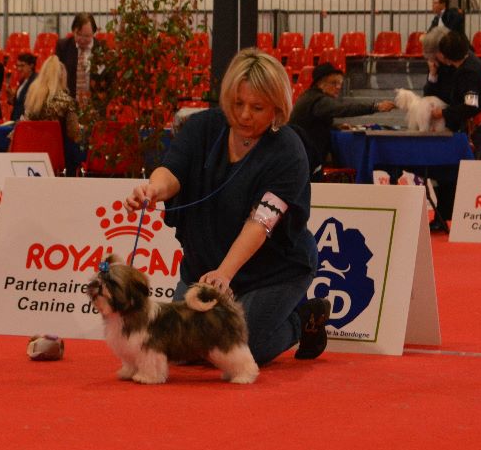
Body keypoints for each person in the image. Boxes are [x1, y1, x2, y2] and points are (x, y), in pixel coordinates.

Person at [125, 48, 329, 365]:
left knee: (238, 350)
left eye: (257, 107)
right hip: (203, 266)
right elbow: (172, 171)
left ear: (277, 107)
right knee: (181, 350)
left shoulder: (289, 152)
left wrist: (224, 274)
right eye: (238, 104)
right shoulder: (202, 128)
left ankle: (302, 319)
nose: (245, 114)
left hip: (273, 270)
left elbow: (260, 223)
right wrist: (154, 189)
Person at [426, 30, 481, 232]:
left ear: (444, 55)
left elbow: (471, 105)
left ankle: (475, 219)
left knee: (473, 171)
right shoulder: (467, 65)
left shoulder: (468, 72)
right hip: (476, 122)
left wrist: (444, 113)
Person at [288, 62, 394, 178]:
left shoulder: (309, 97)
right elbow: (343, 109)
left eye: (340, 83)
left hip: (301, 155)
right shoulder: (319, 100)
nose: (338, 87)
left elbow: (313, 122)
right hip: (307, 159)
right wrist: (375, 107)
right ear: (320, 83)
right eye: (334, 83)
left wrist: (334, 127)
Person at [22, 55, 82, 175]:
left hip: (33, 154)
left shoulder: (32, 98)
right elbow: (73, 133)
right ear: (61, 77)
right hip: (58, 156)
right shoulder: (67, 101)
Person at [8, 53, 38, 121]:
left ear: (31, 66)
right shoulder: (23, 80)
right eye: (18, 66)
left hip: (25, 122)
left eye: (22, 66)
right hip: (16, 120)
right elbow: (19, 103)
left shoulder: (35, 82)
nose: (19, 69)